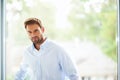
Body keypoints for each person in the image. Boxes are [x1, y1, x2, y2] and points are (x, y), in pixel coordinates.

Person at [15, 18, 80, 80]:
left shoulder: (58, 50)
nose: (33, 35)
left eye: (36, 31)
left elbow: (74, 76)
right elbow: (20, 73)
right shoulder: (27, 52)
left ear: (42, 30)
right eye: (29, 32)